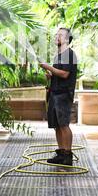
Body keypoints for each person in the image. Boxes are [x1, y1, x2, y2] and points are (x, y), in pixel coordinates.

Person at [39, 28, 78, 166]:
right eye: (57, 34)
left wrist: (49, 67)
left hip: (63, 95)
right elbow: (59, 73)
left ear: (67, 39)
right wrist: (50, 75)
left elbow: (65, 74)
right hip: (55, 93)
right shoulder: (59, 55)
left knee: (64, 125)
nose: (57, 36)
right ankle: (61, 153)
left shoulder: (69, 54)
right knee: (57, 125)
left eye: (60, 35)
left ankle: (68, 155)